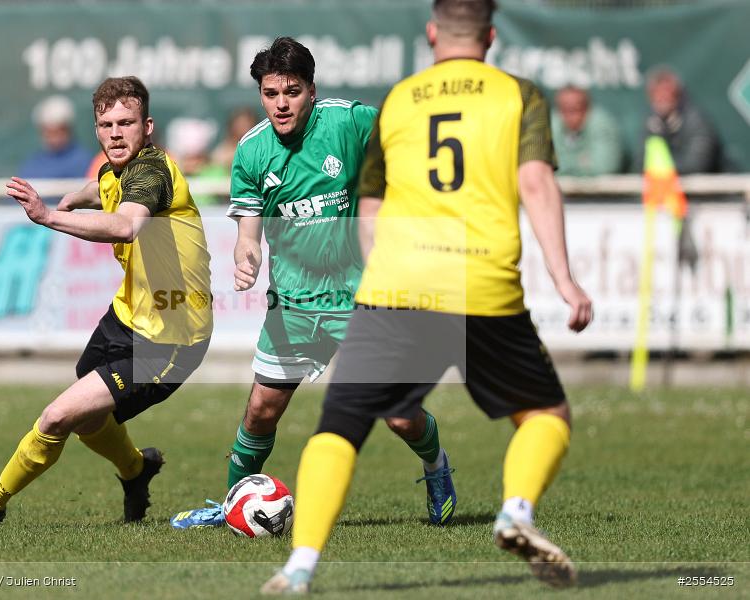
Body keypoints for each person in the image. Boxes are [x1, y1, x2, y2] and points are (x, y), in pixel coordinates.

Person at [261, 0, 593, 594]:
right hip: (481, 282)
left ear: (433, 32)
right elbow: (536, 181)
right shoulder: (519, 94)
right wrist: (565, 279)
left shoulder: (399, 100)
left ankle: (300, 565)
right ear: (490, 36)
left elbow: (370, 209)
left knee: (338, 427)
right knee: (545, 414)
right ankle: (516, 511)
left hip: (398, 284)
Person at [170, 37, 456, 530]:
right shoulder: (252, 150)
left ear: (311, 91)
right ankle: (234, 503)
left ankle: (437, 468)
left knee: (399, 416)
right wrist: (247, 258)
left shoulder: (349, 121)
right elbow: (247, 235)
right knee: (260, 411)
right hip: (296, 304)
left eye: (292, 92)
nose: (281, 104)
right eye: (270, 93)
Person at [0, 76, 213, 530]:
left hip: (170, 340)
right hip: (128, 316)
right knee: (88, 415)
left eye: (126, 123)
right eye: (106, 124)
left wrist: (51, 215)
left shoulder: (151, 171)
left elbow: (127, 225)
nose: (115, 133)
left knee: (58, 416)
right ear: (96, 129)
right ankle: (136, 469)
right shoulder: (115, 169)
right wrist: (78, 197)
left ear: (147, 126)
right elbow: (103, 186)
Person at [635, 68, 721, 174]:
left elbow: (696, 165)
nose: (662, 98)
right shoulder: (651, 124)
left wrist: (661, 168)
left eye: (666, 92)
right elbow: (640, 163)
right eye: (657, 94)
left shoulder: (696, 121)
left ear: (677, 94)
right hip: (662, 187)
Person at [551, 86, 623, 176]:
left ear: (588, 108)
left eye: (576, 109)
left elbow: (605, 166)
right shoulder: (551, 124)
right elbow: (546, 167)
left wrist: (563, 163)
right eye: (565, 109)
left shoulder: (601, 123)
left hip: (601, 189)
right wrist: (581, 161)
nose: (571, 116)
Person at [19, 95, 95, 179]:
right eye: (49, 132)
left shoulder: (83, 161)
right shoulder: (32, 164)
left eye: (59, 131)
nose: (54, 138)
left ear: (69, 129)